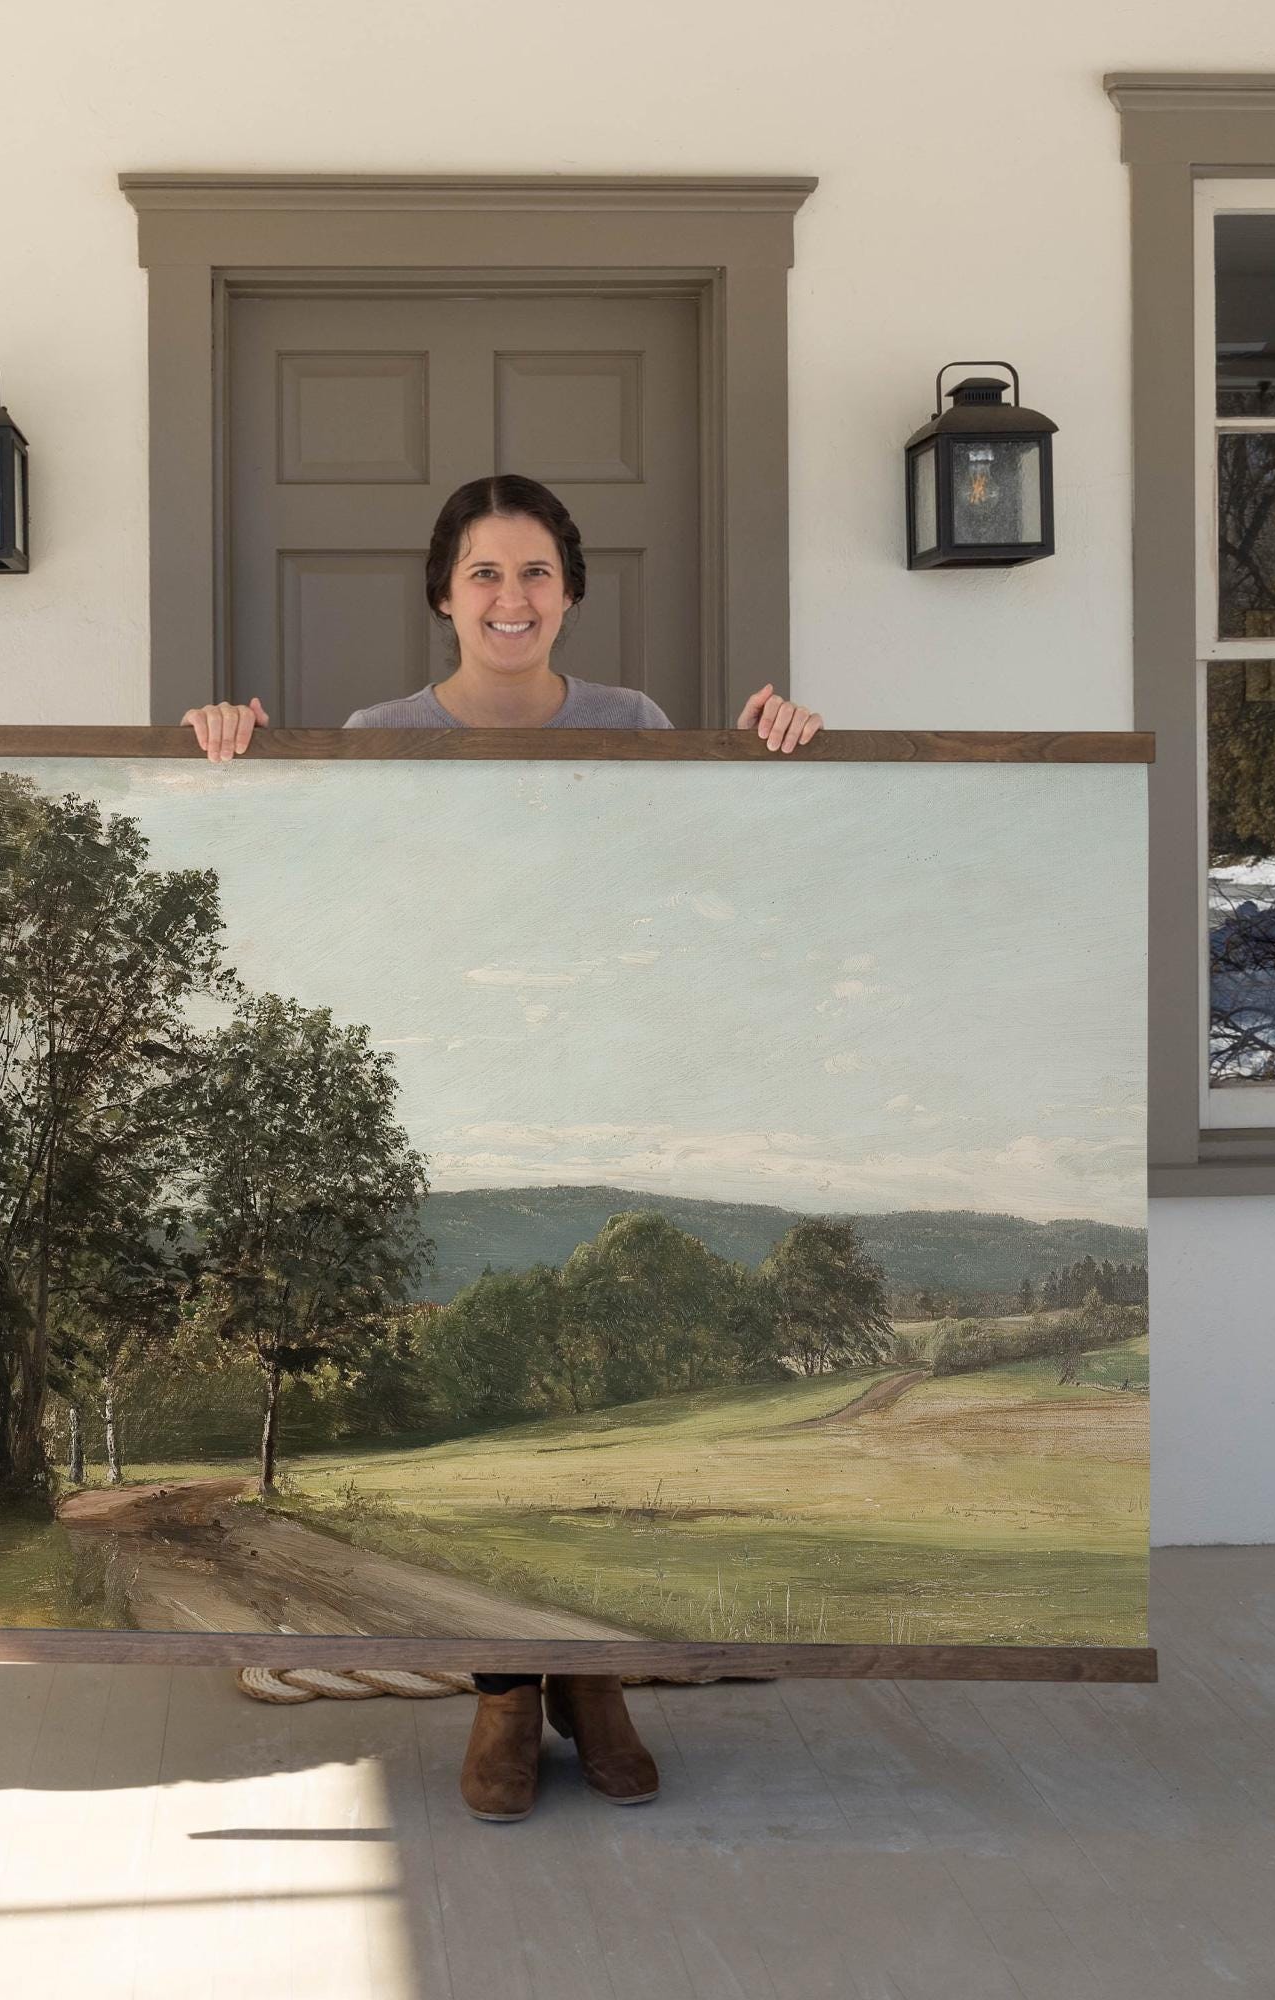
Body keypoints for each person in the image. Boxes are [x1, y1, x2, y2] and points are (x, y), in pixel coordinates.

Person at [184, 472, 823, 1822]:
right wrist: (236, 747)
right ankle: (503, 1691)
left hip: (609, 1061)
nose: (511, 599)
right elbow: (324, 881)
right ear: (442, 594)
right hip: (446, 1074)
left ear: (572, 592)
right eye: (484, 572)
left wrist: (775, 748)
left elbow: (715, 866)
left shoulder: (639, 726)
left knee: (602, 1379)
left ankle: (592, 1679)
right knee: (505, 1359)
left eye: (535, 572)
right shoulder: (374, 734)